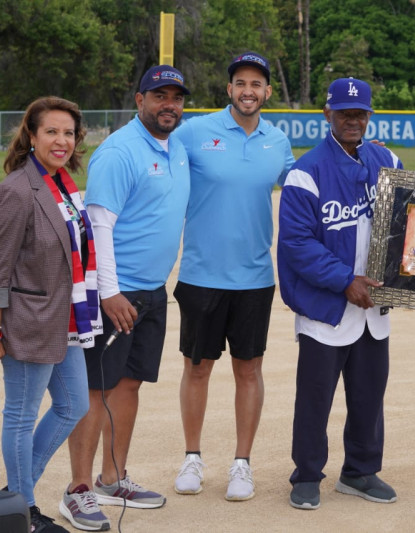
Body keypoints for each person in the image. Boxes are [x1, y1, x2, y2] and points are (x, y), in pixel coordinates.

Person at [59, 66, 190, 531]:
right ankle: (78, 490)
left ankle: (112, 479)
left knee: (129, 385)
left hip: (152, 291)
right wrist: (110, 292)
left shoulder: (177, 146)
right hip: (114, 292)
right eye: (159, 96)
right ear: (139, 100)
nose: (168, 104)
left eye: (175, 96)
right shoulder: (119, 151)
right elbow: (99, 225)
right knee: (94, 390)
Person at [170, 51, 294, 502]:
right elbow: (161, 173)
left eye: (256, 84)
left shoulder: (277, 142)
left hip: (256, 277)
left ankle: (242, 464)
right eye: (240, 83)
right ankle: (192, 457)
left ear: (266, 92)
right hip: (201, 273)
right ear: (229, 89)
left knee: (250, 369)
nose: (248, 91)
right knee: (197, 368)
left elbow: (306, 191)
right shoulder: (194, 133)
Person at [277, 77, 404, 511]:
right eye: (344, 112)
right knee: (315, 397)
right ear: (327, 114)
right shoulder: (306, 170)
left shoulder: (385, 159)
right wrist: (343, 280)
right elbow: (296, 242)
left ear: (369, 116)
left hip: (374, 305)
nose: (353, 119)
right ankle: (307, 474)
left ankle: (360, 471)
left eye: (360, 113)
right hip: (327, 306)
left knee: (369, 394)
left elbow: (406, 216)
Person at [0, 96, 101, 532]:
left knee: (72, 405)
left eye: (68, 133)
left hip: (65, 318)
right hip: (28, 320)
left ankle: (15, 495)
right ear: (31, 136)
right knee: (21, 412)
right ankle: (24, 511)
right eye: (51, 131)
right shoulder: (16, 190)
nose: (61, 140)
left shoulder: (62, 183)